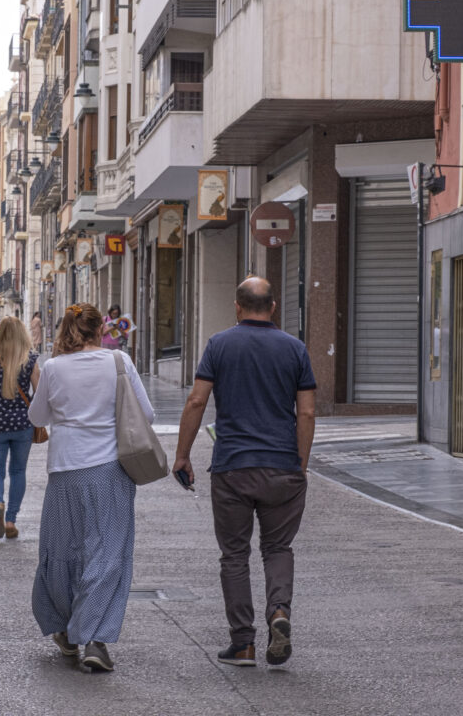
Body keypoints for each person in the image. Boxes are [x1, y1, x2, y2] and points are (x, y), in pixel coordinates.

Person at [172, 276, 316, 668]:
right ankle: (279, 613)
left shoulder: (219, 344)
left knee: (234, 554)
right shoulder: (295, 348)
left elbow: (196, 400)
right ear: (273, 307)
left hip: (233, 466)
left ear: (237, 307)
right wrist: (299, 464)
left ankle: (243, 642)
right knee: (277, 548)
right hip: (283, 465)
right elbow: (306, 411)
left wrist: (182, 455)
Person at [27, 303, 153, 673]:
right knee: (107, 552)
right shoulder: (119, 362)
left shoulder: (53, 368)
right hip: (111, 468)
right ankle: (96, 639)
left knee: (62, 550)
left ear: (67, 329)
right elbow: (145, 413)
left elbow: (37, 417)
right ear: (101, 330)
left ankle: (66, 630)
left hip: (65, 471)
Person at [0, 316, 39, 540]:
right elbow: (39, 391)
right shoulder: (30, 359)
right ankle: (11, 520)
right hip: (23, 423)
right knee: (18, 471)